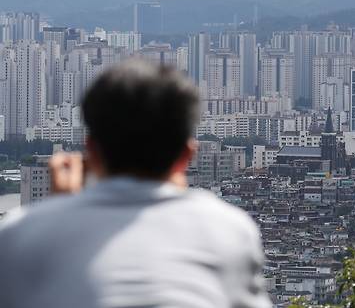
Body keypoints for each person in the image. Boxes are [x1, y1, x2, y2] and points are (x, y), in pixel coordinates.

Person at [0, 62, 272, 308]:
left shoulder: (18, 233)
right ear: (187, 156)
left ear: (91, 151)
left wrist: (56, 213)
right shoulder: (228, 230)